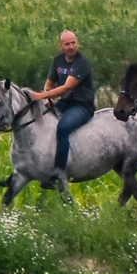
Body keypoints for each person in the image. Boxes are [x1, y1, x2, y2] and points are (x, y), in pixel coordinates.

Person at [29, 30, 96, 189]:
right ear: (61, 46)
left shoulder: (82, 62)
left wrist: (41, 96)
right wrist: (48, 96)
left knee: (63, 128)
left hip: (82, 105)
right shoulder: (58, 60)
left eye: (73, 42)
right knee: (43, 123)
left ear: (77, 43)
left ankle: (59, 172)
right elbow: (49, 83)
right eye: (67, 44)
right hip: (65, 104)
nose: (71, 46)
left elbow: (67, 87)